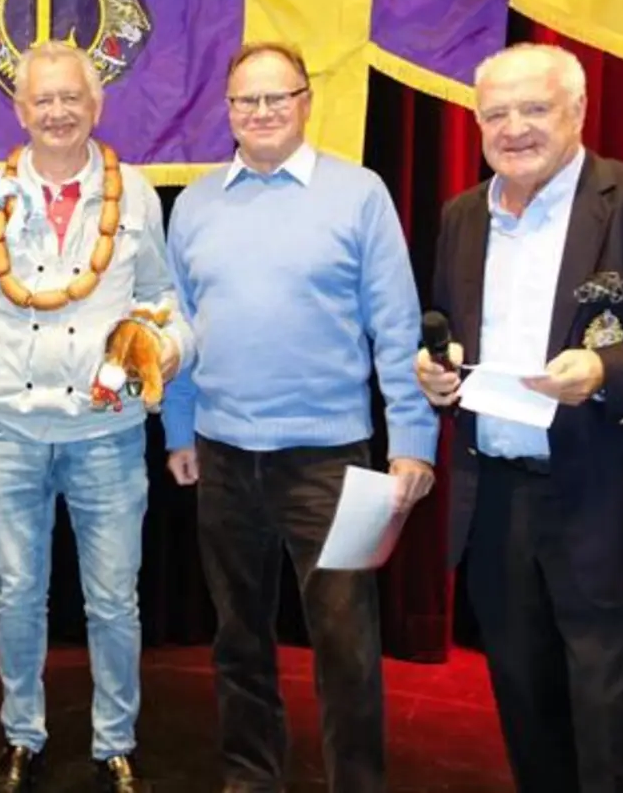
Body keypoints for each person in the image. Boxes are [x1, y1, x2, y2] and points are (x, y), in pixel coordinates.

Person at [415, 43, 623, 793]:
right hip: (499, 502)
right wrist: (437, 375)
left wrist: (609, 370)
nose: (513, 129)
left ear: (578, 110)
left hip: (608, 500)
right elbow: (453, 332)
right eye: (495, 113)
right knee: (527, 710)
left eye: (534, 109)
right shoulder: (462, 215)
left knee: (613, 723)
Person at [160, 41, 437, 793]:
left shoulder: (360, 194)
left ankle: (358, 782)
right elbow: (174, 324)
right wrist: (178, 429)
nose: (260, 112)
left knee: (347, 642)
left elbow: (397, 327)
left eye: (275, 97)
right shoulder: (195, 203)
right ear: (227, 112)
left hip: (333, 462)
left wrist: (413, 440)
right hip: (221, 456)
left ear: (305, 101)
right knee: (238, 637)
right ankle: (251, 778)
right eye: (245, 101)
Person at [0, 41, 192, 793]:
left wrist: (161, 358)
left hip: (107, 437)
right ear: (19, 109)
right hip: (8, 431)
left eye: (70, 98)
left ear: (96, 104)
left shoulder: (136, 194)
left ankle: (116, 741)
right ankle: (23, 735)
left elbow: (162, 302)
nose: (56, 112)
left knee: (114, 596)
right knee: (17, 593)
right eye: (41, 100)